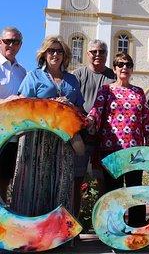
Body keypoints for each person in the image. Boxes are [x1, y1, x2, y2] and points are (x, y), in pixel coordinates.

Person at [11, 36, 84, 216]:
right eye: (51, 50)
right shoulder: (34, 76)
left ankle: (59, 234)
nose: (55, 54)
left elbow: (80, 109)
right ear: (44, 54)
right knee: (35, 184)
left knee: (62, 182)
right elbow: (23, 105)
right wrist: (50, 104)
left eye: (59, 51)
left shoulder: (72, 80)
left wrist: (69, 105)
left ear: (65, 55)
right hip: (37, 139)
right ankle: (31, 234)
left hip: (64, 139)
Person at [87, 52, 149, 227]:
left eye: (128, 64)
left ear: (132, 69)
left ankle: (137, 229)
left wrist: (148, 137)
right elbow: (96, 111)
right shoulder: (107, 89)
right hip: (111, 149)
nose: (124, 67)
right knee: (114, 191)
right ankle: (114, 229)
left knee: (135, 190)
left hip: (135, 151)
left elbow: (145, 117)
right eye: (120, 64)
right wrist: (88, 121)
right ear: (115, 68)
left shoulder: (138, 91)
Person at [73, 39, 116, 216]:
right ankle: (74, 222)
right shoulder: (77, 75)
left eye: (102, 51)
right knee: (77, 179)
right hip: (81, 136)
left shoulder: (113, 76)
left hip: (105, 137)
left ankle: (104, 223)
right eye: (94, 51)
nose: (98, 55)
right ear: (87, 54)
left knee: (103, 181)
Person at [0, 26, 26, 202]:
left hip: (12, 135)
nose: (11, 44)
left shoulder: (23, 72)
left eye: (15, 41)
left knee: (5, 177)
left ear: (20, 45)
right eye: (7, 41)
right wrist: (6, 102)